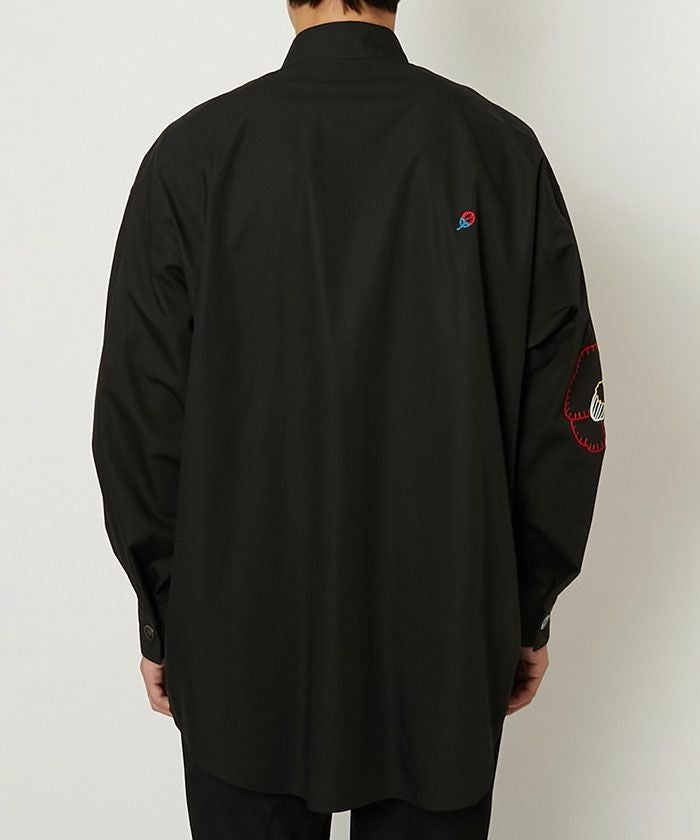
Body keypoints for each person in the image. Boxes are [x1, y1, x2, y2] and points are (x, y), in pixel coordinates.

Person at [91, 1, 607, 837]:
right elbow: (566, 415)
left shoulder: (193, 156)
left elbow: (139, 419)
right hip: (444, 640)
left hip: (239, 641)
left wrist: (165, 614)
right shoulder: (499, 152)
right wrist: (523, 609)